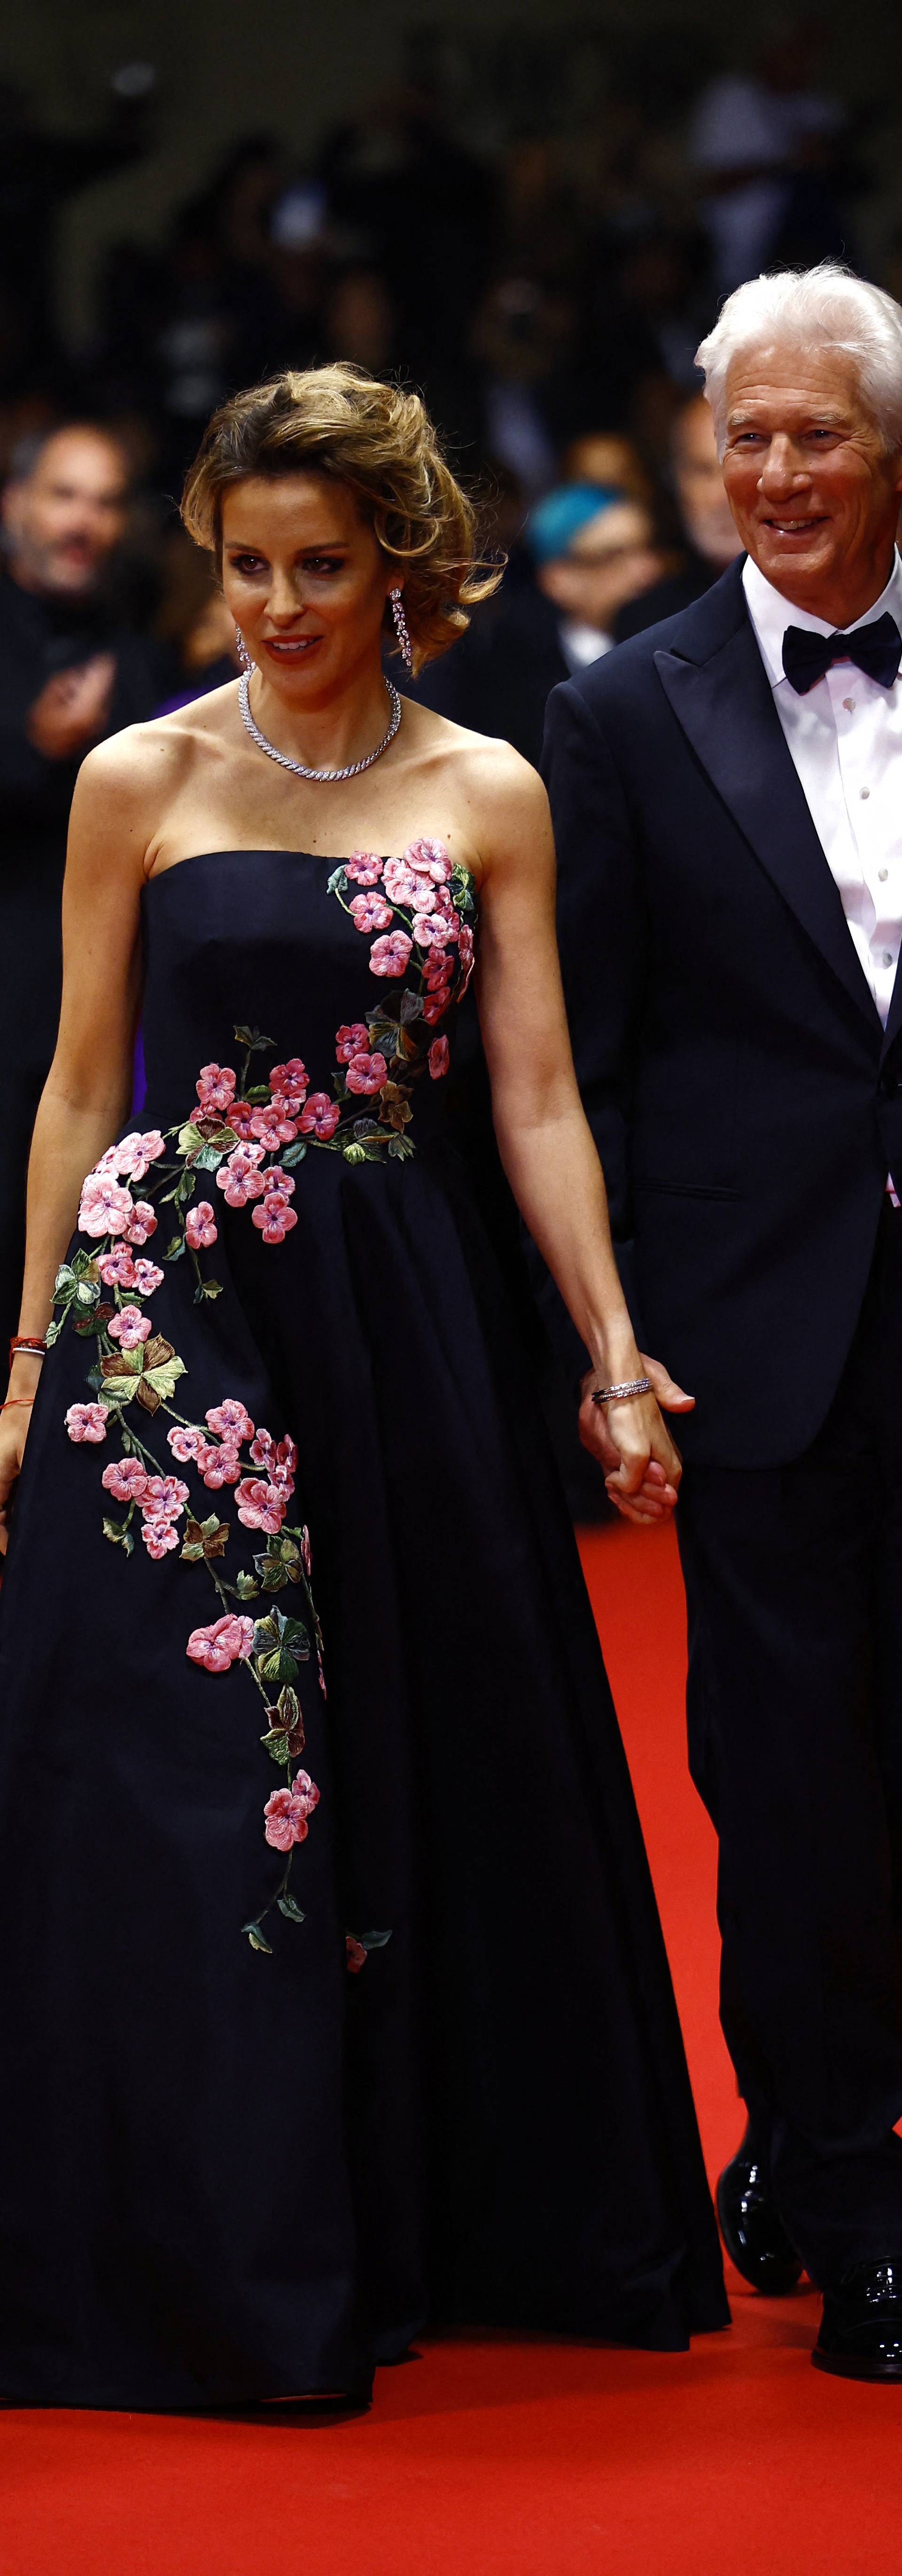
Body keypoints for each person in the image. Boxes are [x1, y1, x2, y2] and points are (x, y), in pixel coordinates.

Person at [0, 365, 727, 2412]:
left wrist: (607, 1351)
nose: (277, 606)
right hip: (168, 1327)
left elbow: (535, 1100)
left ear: (403, 564)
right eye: (242, 568)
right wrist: (25, 1359)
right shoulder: (132, 781)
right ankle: (192, 2256)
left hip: (394, 1312)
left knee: (416, 1748)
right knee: (184, 1778)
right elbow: (73, 1091)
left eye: (319, 567)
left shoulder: (488, 788)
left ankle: (422, 2217)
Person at [542, 263, 902, 2382]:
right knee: (784, 1783)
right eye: (737, 440)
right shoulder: (615, 712)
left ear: (883, 450)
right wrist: (608, 1341)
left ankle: (805, 2140)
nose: (770, 474)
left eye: (810, 435)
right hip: (750, 1330)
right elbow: (577, 1056)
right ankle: (855, 2198)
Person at [0, 422, 164, 1359]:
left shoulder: (134, 655)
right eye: (65, 495)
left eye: (104, 502)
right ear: (14, 505)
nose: (84, 523)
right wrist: (39, 756)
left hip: (100, 1009)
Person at [614, 391, 741, 640]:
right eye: (702, 472)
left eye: (736, 466)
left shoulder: (832, 590)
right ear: (675, 481)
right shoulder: (646, 625)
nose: (720, 497)